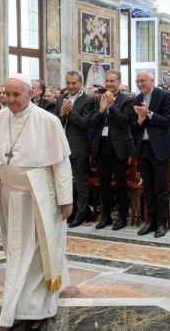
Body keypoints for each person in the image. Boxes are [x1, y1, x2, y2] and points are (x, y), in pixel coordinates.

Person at [0, 73, 73, 330]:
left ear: (31, 94)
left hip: (40, 197)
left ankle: (37, 308)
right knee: (16, 251)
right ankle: (19, 299)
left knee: (38, 252)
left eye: (16, 95)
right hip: (8, 196)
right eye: (6, 94)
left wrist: (65, 199)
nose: (10, 100)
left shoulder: (48, 121)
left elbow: (61, 165)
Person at [131, 71, 170, 238]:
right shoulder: (136, 99)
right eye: (137, 81)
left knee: (160, 188)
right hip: (143, 148)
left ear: (152, 81)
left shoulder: (164, 96)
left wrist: (148, 114)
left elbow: (168, 121)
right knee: (148, 187)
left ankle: (162, 223)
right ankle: (151, 221)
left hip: (160, 148)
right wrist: (140, 120)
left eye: (143, 81)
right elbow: (133, 128)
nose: (140, 84)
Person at [90, 70, 135, 231]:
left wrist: (111, 106)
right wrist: (101, 109)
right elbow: (92, 122)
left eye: (112, 81)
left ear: (119, 82)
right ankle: (106, 216)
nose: (109, 84)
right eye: (107, 81)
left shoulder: (127, 100)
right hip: (102, 146)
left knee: (121, 184)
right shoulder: (98, 99)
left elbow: (124, 121)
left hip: (119, 146)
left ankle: (122, 217)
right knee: (104, 183)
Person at [53, 71, 94, 227]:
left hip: (78, 147)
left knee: (80, 182)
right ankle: (70, 212)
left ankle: (82, 214)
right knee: (64, 181)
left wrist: (69, 112)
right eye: (68, 83)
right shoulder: (61, 99)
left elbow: (85, 123)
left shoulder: (88, 100)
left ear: (80, 83)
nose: (70, 86)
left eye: (73, 83)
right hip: (61, 146)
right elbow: (55, 121)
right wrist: (62, 114)